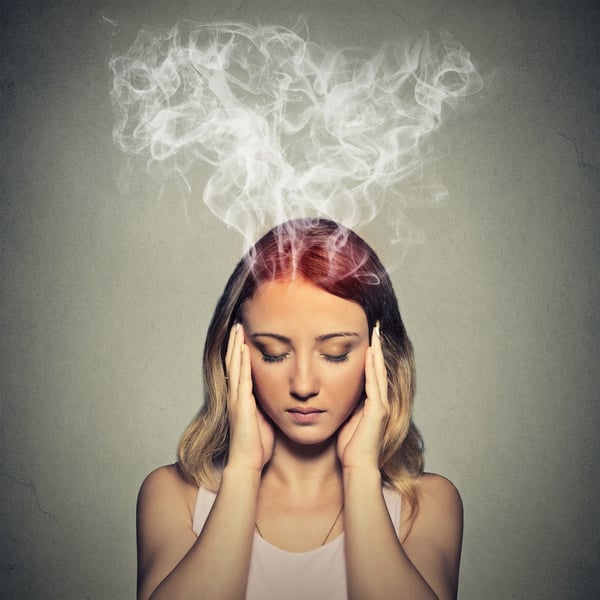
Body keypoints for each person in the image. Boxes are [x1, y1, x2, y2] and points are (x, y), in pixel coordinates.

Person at [136, 218, 463, 600]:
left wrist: (360, 471)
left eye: (335, 353)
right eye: (274, 353)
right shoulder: (174, 496)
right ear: (234, 354)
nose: (303, 385)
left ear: (379, 355)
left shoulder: (425, 507)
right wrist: (243, 470)